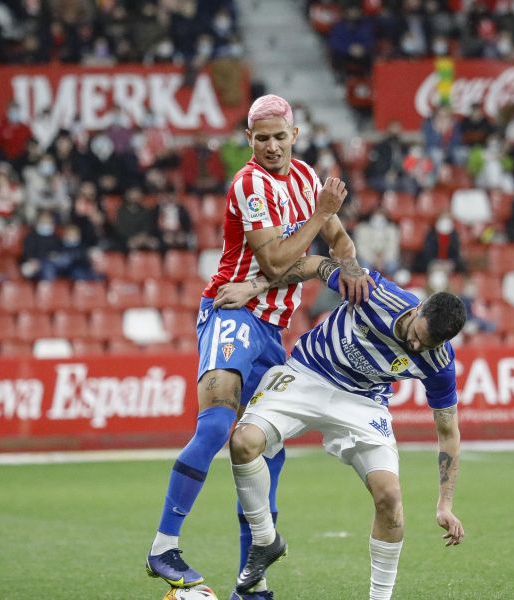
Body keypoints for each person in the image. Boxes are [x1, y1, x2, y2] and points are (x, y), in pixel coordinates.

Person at [145, 94, 372, 599]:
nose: (271, 146)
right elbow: (275, 261)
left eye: (278, 136)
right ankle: (163, 545)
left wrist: (349, 265)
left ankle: (253, 584)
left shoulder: (308, 178)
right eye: (261, 138)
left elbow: (338, 242)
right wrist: (320, 221)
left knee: (263, 456)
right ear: (250, 141)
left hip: (272, 330)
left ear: (294, 134)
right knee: (219, 425)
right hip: (231, 314)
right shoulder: (250, 183)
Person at [222, 259, 467, 599]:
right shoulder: (374, 293)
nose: (415, 347)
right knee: (243, 442)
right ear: (420, 306)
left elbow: (448, 433)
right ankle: (265, 540)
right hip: (308, 374)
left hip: (363, 403)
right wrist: (254, 288)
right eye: (416, 335)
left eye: (425, 345)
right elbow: (315, 264)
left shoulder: (439, 362)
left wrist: (445, 504)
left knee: (390, 497)